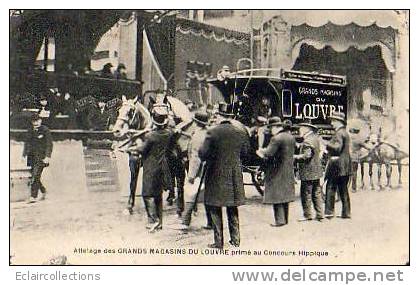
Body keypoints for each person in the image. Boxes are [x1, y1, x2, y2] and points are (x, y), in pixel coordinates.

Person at [199, 102, 249, 248]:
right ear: (231, 117)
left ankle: (218, 242)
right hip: (234, 174)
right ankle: (236, 240)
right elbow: (245, 153)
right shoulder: (240, 132)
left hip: (215, 173)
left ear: (219, 116)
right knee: (232, 207)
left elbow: (203, 153)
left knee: (215, 206)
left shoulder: (213, 132)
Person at [135, 111, 177, 233]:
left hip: (151, 167)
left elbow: (142, 150)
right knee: (158, 194)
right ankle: (159, 222)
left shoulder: (150, 136)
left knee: (147, 194)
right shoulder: (168, 133)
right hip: (163, 167)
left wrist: (135, 145)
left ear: (154, 121)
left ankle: (152, 221)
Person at [257, 117, 296, 227]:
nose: (270, 130)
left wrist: (260, 151)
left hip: (276, 170)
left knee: (277, 195)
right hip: (287, 169)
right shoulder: (290, 137)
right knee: (285, 196)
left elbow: (269, 153)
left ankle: (279, 220)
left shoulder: (276, 138)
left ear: (275, 127)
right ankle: (285, 219)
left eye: (271, 128)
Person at [177, 111, 212, 230]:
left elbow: (196, 157)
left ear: (196, 122)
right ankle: (210, 222)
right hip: (209, 169)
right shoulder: (208, 132)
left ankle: (185, 221)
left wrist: (191, 174)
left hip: (199, 170)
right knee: (208, 195)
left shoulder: (197, 136)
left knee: (190, 195)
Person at [294, 120, 324, 222]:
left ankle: (307, 215)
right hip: (316, 171)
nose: (299, 130)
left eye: (301, 128)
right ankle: (320, 215)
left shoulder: (307, 141)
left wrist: (294, 157)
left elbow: (306, 156)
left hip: (308, 171)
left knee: (306, 193)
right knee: (317, 193)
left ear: (306, 129)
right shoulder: (315, 138)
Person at [324, 112, 352, 219]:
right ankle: (346, 213)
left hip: (337, 166)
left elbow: (337, 148)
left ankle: (329, 212)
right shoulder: (345, 132)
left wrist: (326, 144)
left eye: (333, 121)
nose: (332, 123)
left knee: (330, 187)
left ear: (338, 122)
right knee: (343, 190)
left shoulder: (339, 133)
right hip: (345, 166)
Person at [23, 113, 53, 203]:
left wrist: (47, 156)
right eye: (34, 121)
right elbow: (27, 143)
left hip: (42, 158)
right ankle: (43, 191)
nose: (36, 123)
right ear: (32, 122)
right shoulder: (30, 131)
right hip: (31, 157)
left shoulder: (45, 130)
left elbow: (49, 144)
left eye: (37, 120)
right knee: (35, 176)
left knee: (36, 175)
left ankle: (33, 196)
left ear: (41, 120)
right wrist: (23, 155)